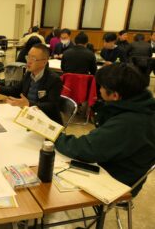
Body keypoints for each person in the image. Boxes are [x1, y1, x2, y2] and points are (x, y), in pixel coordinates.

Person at [54, 64, 155, 196]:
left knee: (52, 170)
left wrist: (55, 136)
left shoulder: (129, 122)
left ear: (115, 95)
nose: (99, 90)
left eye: (101, 87)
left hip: (117, 178)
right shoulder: (141, 107)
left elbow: (86, 149)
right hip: (119, 163)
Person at [0, 43, 63, 124]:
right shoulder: (28, 74)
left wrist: (29, 104)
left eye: (33, 58)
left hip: (45, 121)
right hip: (28, 116)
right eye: (28, 57)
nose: (29, 61)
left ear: (44, 62)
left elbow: (52, 105)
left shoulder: (54, 79)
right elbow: (16, 90)